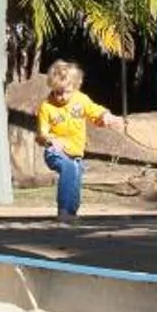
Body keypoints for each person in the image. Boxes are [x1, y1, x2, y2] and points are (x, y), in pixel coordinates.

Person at [35, 62, 113, 222]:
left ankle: (71, 212)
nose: (61, 97)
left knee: (75, 179)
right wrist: (51, 139)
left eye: (66, 92)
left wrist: (105, 116)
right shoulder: (46, 106)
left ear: (76, 86)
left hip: (76, 152)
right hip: (55, 151)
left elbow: (94, 111)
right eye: (57, 92)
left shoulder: (81, 100)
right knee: (68, 167)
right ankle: (63, 211)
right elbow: (42, 133)